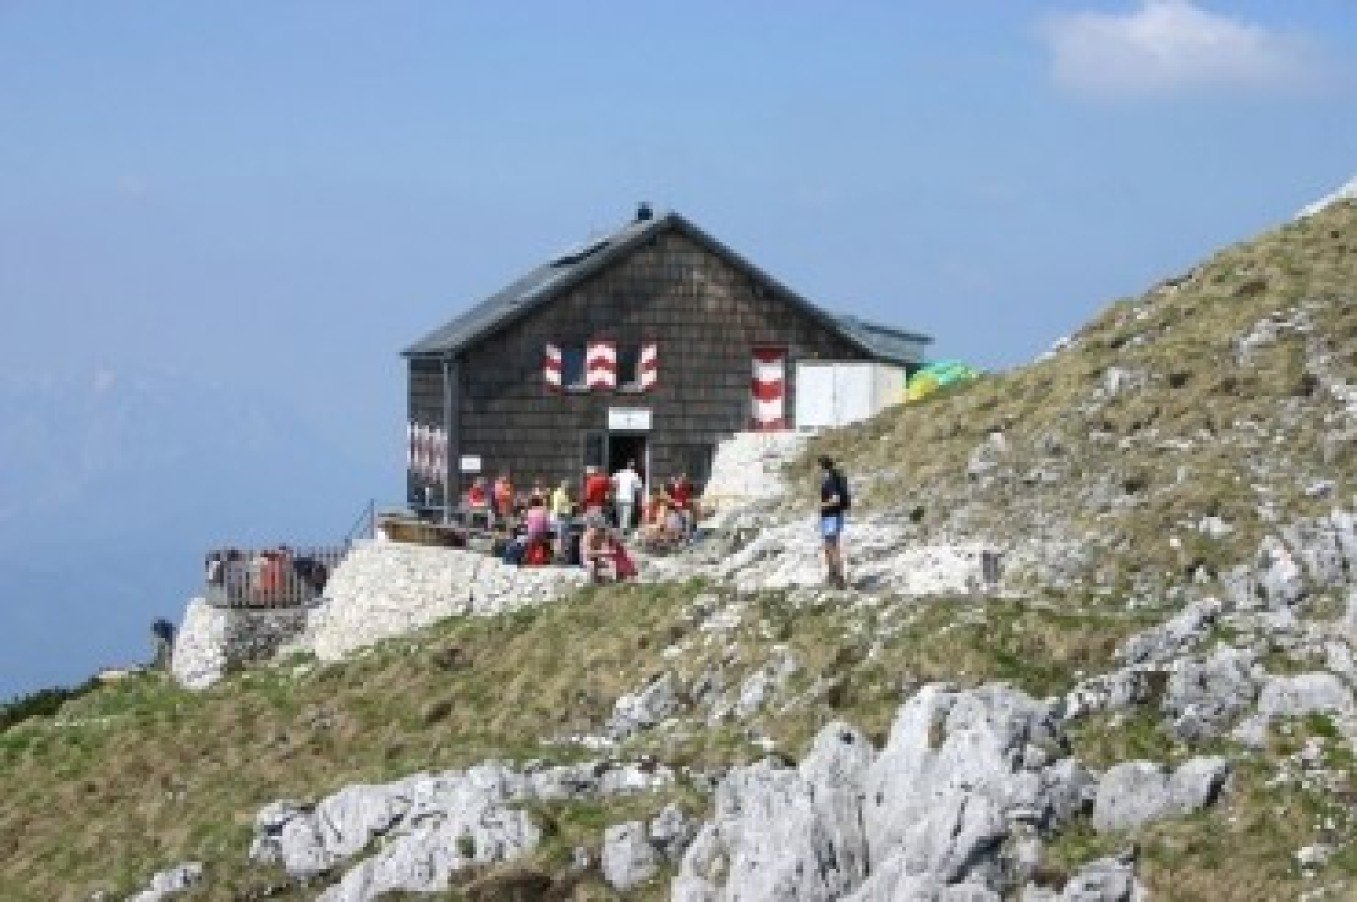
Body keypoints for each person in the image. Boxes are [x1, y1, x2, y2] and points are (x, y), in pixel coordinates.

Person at [818, 455, 850, 589]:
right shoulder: (835, 476)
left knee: (832, 546)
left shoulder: (831, 480)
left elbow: (835, 499)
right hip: (832, 516)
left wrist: (822, 505)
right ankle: (832, 575)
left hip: (831, 516)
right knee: (828, 546)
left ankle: (839, 578)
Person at [612, 459, 643, 532]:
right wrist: (639, 498)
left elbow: (613, 482)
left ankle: (621, 529)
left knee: (620, 515)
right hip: (629, 498)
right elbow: (639, 488)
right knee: (626, 515)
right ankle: (624, 530)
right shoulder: (635, 475)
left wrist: (615, 491)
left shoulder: (619, 473)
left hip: (619, 497)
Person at [550, 479, 575, 562]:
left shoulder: (565, 494)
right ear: (563, 486)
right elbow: (557, 509)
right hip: (561, 518)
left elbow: (566, 505)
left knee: (564, 538)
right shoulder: (558, 494)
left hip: (566, 518)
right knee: (560, 537)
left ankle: (563, 555)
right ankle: (559, 556)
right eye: (568, 487)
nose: (569, 488)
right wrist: (565, 512)